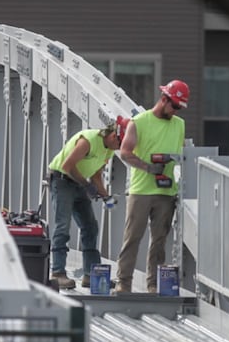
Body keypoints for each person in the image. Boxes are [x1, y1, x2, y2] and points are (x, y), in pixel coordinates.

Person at [117, 79, 188, 293]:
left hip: (167, 191)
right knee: (132, 238)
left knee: (159, 242)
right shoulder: (139, 122)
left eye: (179, 108)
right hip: (141, 190)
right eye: (174, 106)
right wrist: (149, 168)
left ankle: (154, 285)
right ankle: (123, 283)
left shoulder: (179, 125)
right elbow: (125, 152)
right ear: (164, 99)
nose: (176, 111)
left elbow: (182, 155)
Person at [46, 118, 126, 290]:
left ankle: (92, 275)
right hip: (62, 180)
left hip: (78, 183)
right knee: (63, 226)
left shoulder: (109, 150)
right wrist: (86, 185)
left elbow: (96, 176)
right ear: (114, 136)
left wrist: (106, 196)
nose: (121, 148)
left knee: (90, 227)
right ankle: (57, 273)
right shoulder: (88, 140)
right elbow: (68, 166)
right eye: (121, 143)